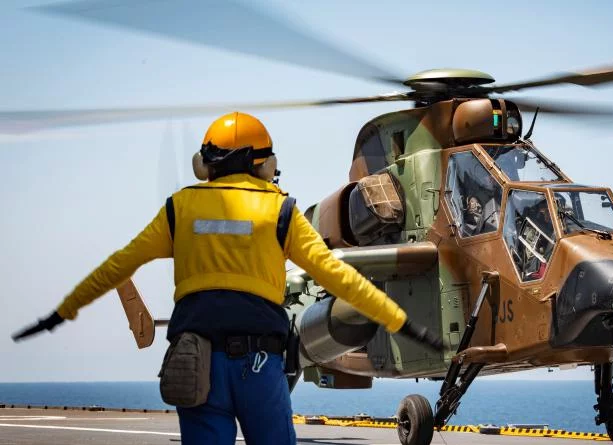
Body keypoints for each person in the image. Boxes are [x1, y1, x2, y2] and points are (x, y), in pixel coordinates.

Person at [12, 112, 442, 445]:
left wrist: (61, 313)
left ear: (208, 164)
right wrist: (401, 321)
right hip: (259, 363)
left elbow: (118, 265)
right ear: (260, 163)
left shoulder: (180, 209)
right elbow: (339, 275)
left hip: (196, 360)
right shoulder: (281, 211)